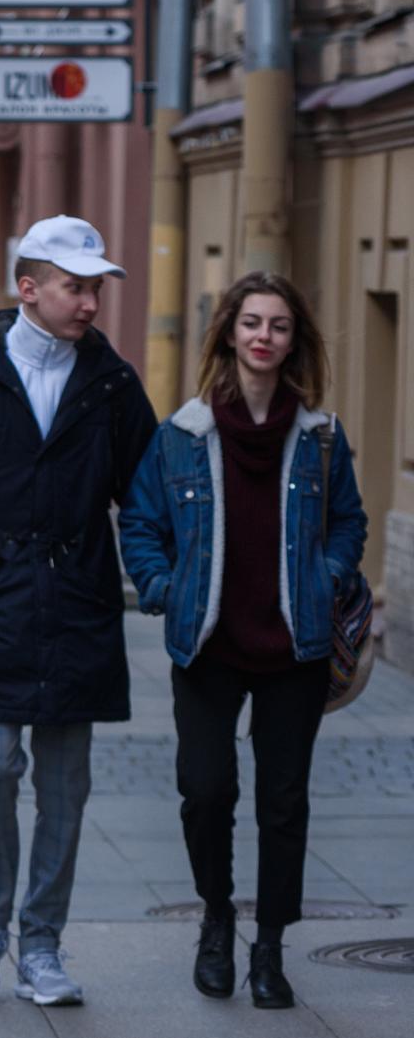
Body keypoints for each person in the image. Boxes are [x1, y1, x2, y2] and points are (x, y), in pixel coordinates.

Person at [0, 215, 157, 1007]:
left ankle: (41, 943)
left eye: (95, 289)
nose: (90, 304)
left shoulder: (111, 385)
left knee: (66, 786)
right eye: (75, 287)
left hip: (77, 609)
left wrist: (161, 574)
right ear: (29, 288)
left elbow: (143, 495)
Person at [117, 272, 366, 1009]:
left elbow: (349, 521)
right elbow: (140, 522)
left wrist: (323, 576)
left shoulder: (320, 439)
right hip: (208, 644)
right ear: (229, 332)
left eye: (279, 325)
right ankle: (218, 919)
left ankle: (271, 947)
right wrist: (162, 587)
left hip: (294, 647)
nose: (264, 336)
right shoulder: (183, 435)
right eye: (251, 322)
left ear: (294, 340)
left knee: (283, 801)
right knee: (205, 789)